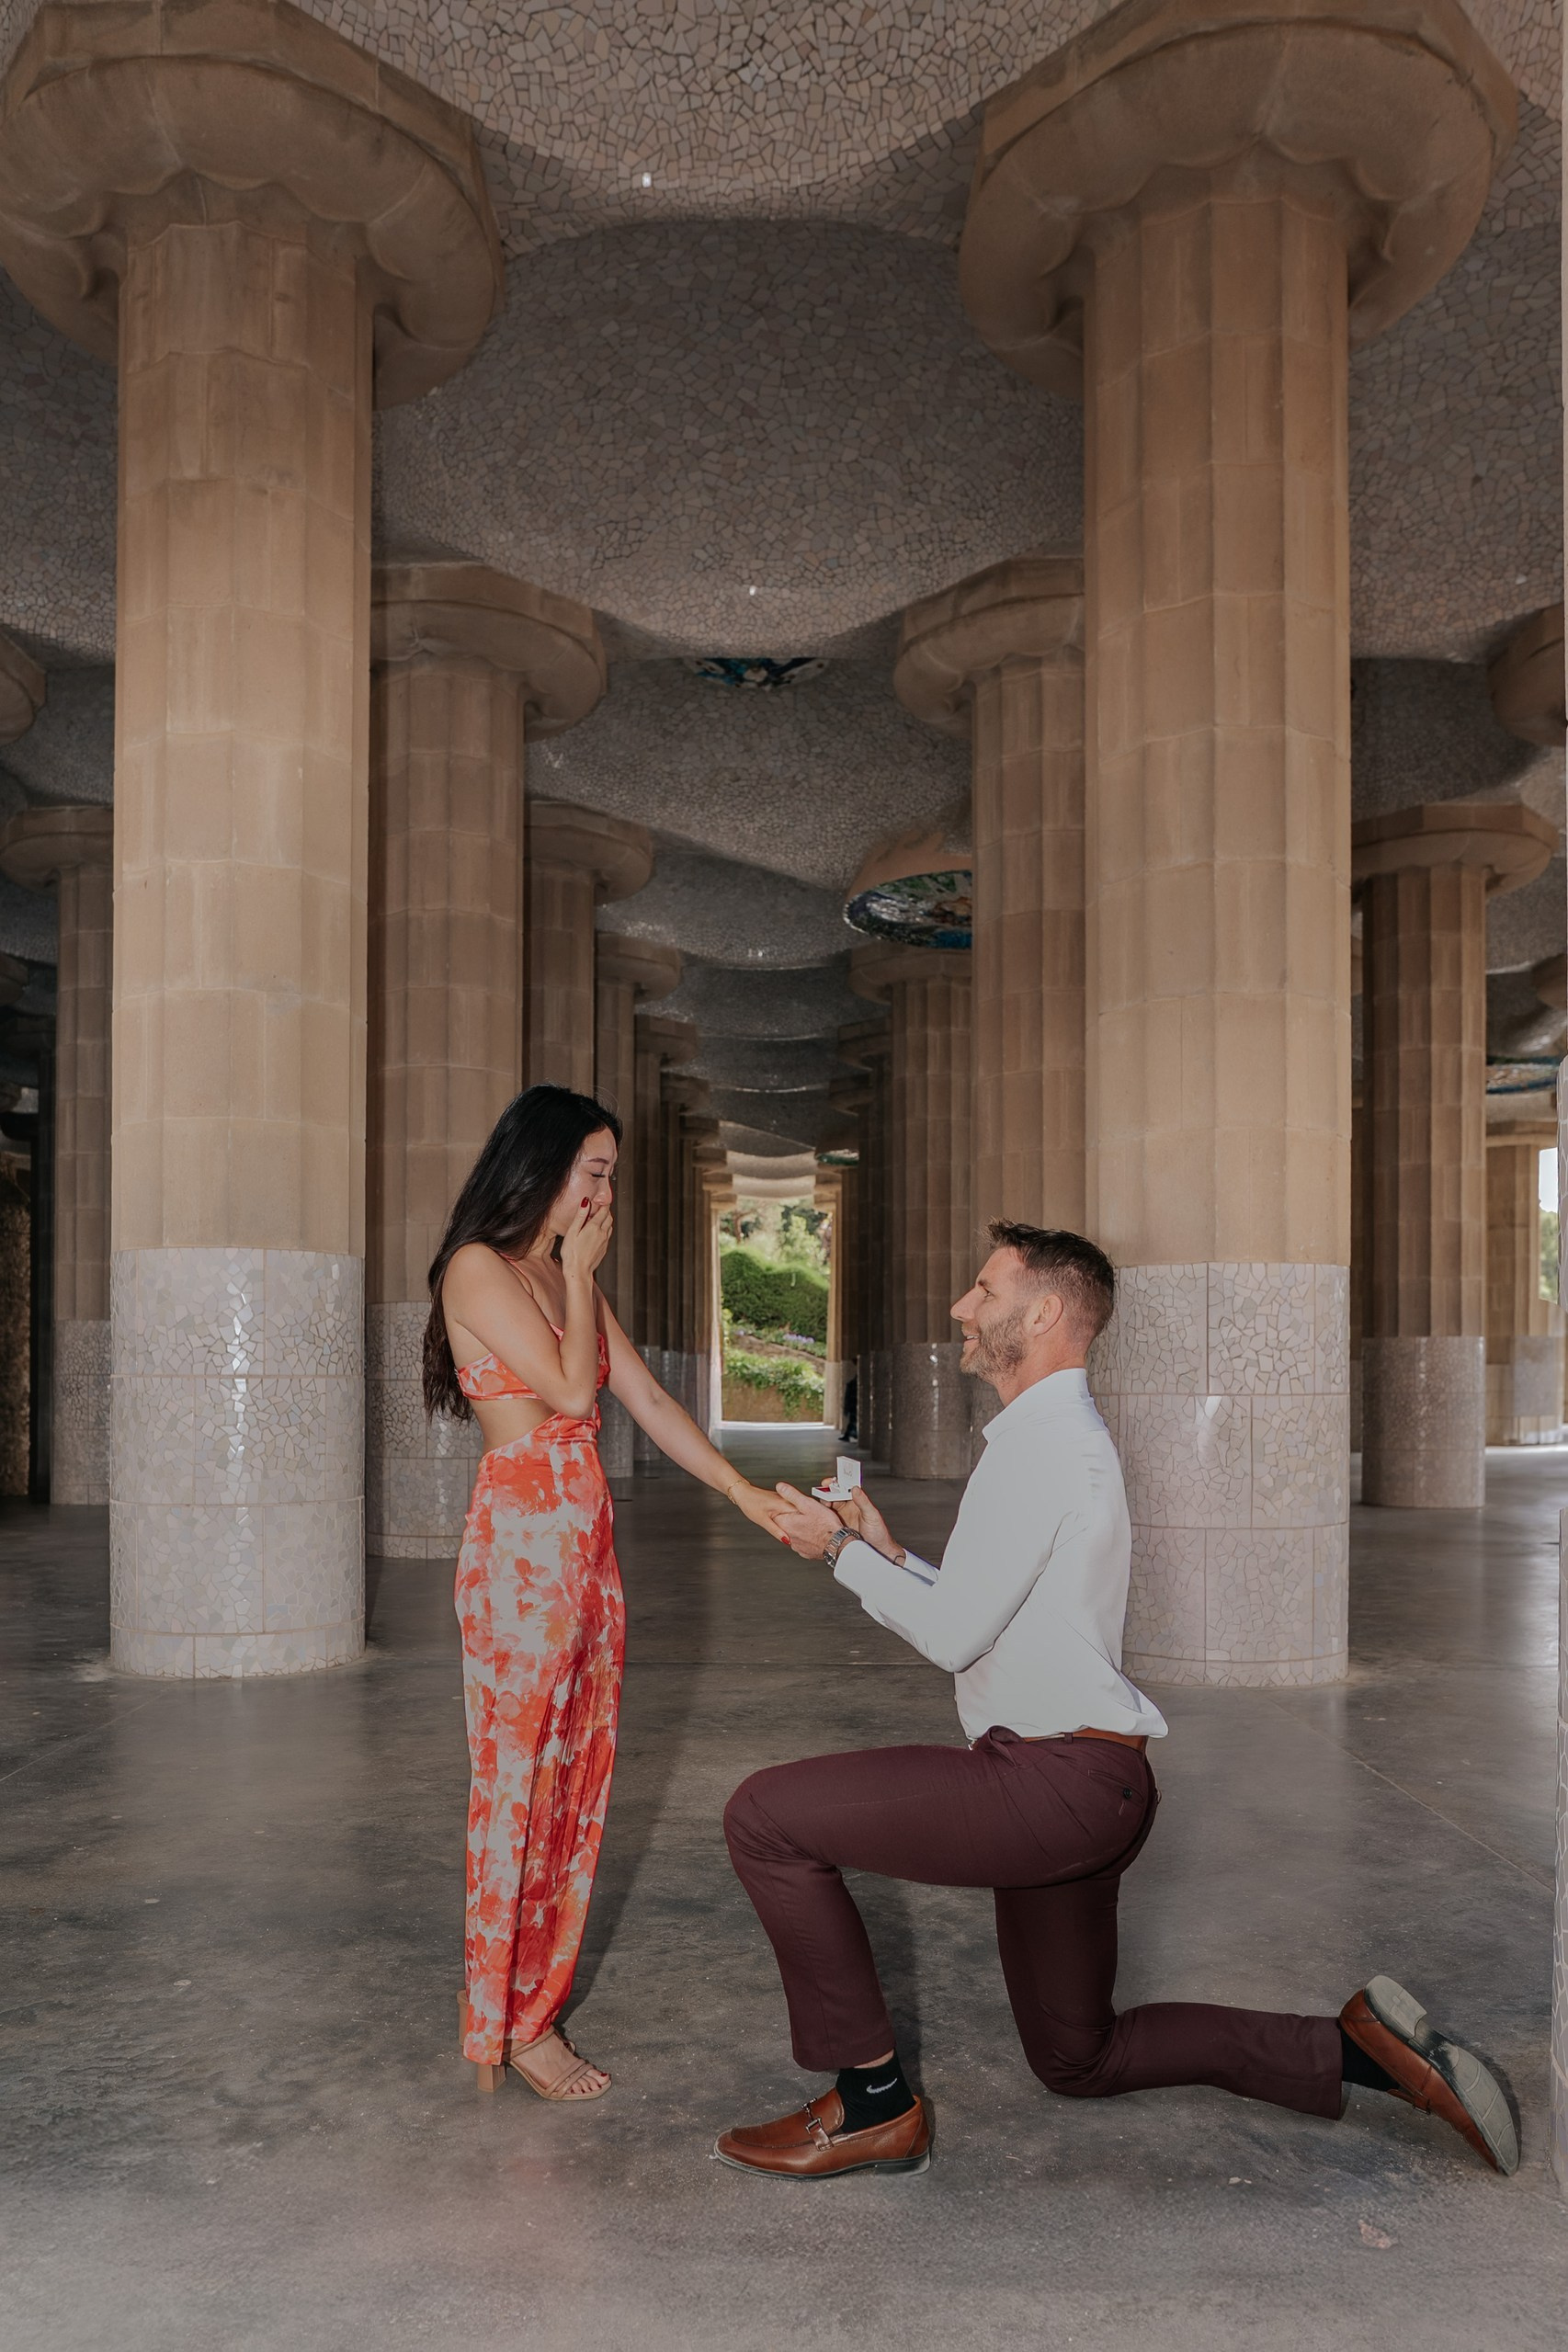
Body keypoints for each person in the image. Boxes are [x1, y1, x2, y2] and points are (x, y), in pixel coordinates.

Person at [713, 1220, 1519, 2181]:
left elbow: (952, 1638)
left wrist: (836, 1553)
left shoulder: (1042, 1447)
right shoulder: (1048, 1438)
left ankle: (871, 2105)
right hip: (1090, 1786)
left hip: (1049, 1786)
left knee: (763, 1817)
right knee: (1077, 2059)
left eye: (982, 1288)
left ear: (1044, 1311)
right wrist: (883, 1556)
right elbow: (984, 1617)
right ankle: (1356, 2051)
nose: (960, 1308)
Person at [426, 1084, 784, 2102]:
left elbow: (650, 1400)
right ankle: (504, 2027)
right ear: (538, 1168)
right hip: (518, 1556)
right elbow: (572, 1395)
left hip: (586, 1554)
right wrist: (580, 1279)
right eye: (594, 1172)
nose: (604, 1193)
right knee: (515, 1791)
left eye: (610, 1176)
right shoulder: (478, 1269)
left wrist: (740, 1494)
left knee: (576, 1795)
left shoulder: (553, 1269)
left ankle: (531, 2010)